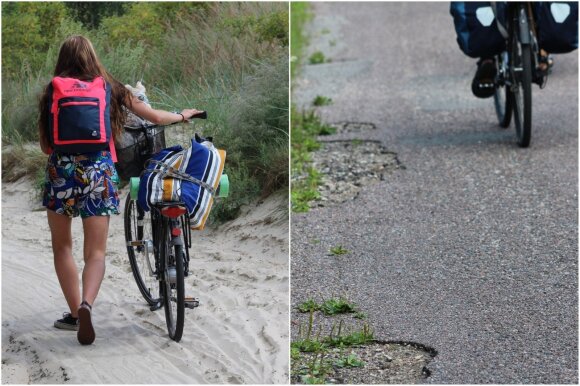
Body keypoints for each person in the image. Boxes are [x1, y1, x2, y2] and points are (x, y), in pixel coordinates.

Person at [38, 35, 203, 345]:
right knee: (96, 253)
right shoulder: (110, 88)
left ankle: (75, 315)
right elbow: (154, 117)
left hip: (62, 173)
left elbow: (46, 145)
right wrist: (182, 115)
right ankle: (87, 303)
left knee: (62, 248)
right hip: (99, 171)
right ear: (92, 57)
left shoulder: (52, 91)